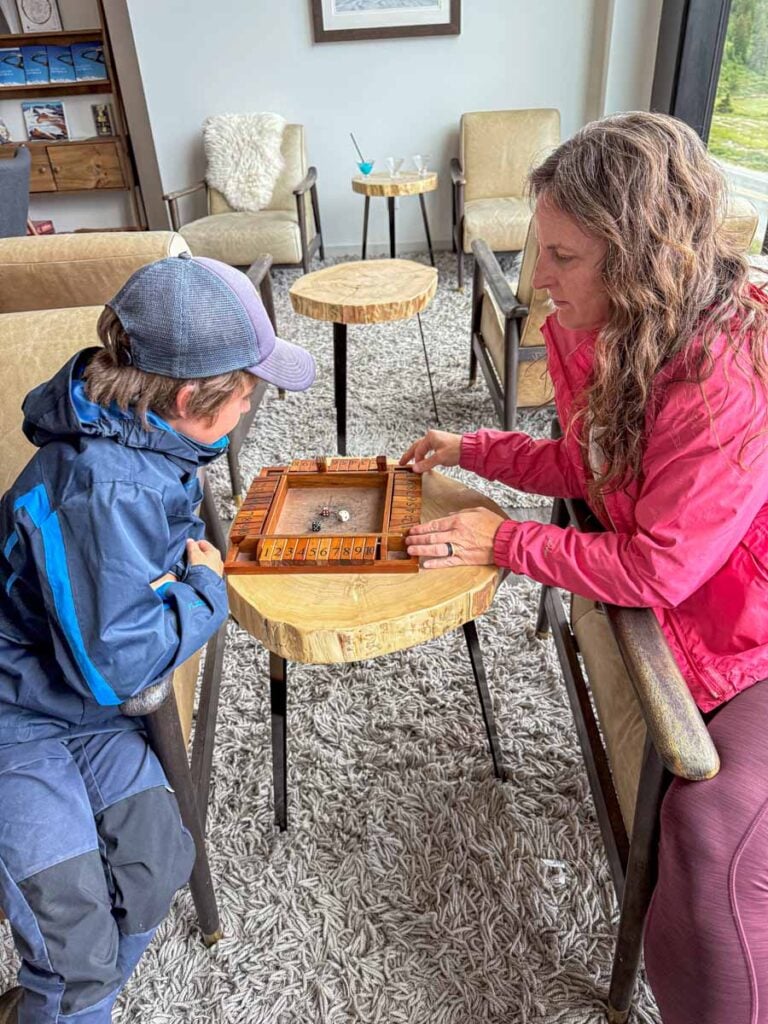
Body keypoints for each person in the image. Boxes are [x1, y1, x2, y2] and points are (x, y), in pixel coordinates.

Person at [401, 111, 768, 1023]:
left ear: (637, 256)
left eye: (562, 256)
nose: (538, 279)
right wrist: (475, 448)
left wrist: (504, 542)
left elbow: (658, 570)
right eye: (540, 249)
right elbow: (596, 463)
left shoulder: (727, 373)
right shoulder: (602, 325)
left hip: (753, 623)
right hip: (701, 597)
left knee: (714, 834)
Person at [0, 253, 316, 1024]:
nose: (248, 410)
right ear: (187, 399)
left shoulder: (154, 444)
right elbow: (122, 668)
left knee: (154, 864)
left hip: (75, 703)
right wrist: (205, 590)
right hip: (16, 719)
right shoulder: (106, 485)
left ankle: (65, 998)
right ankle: (65, 998)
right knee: (72, 939)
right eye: (246, 394)